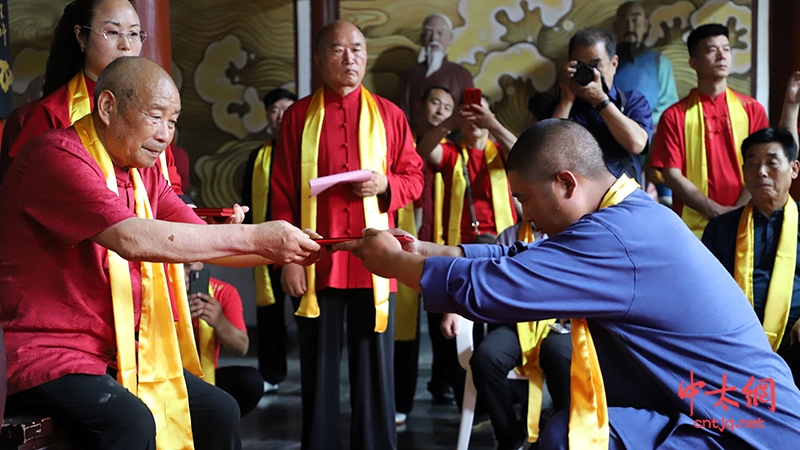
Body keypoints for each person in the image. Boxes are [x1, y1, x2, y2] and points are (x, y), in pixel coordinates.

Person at [339, 118, 800, 450]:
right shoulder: (625, 214)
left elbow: (494, 288)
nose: (525, 215)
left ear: (565, 183)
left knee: (570, 438)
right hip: (710, 405)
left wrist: (397, 265)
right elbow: (521, 257)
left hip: (740, 424)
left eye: (525, 199)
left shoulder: (615, 236)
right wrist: (425, 251)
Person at [0, 56, 321, 450]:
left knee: (218, 410)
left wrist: (293, 248)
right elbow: (132, 238)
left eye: (173, 120)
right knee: (132, 422)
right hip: (46, 352)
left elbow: (201, 240)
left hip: (114, 352)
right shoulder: (56, 156)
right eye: (156, 116)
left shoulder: (143, 172)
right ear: (107, 107)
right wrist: (260, 238)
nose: (166, 134)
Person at [269, 20, 424, 450]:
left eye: (357, 48)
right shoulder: (298, 116)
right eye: (337, 50)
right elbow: (281, 191)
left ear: (366, 55)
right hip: (316, 258)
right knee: (317, 370)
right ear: (319, 60)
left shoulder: (389, 114)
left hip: (376, 259)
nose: (349, 57)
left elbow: (415, 178)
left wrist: (386, 184)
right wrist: (288, 260)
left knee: (375, 370)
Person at [0, 0, 183, 192]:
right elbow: (26, 190)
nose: (126, 45)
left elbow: (171, 190)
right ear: (81, 36)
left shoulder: (151, 113)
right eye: (112, 32)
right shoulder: (52, 113)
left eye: (134, 34)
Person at [702, 127, 800, 388]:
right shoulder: (721, 228)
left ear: (794, 169)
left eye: (771, 162)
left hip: (795, 340)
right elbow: (705, 291)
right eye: (753, 163)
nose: (761, 172)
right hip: (733, 344)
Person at [651, 24, 768, 238]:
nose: (722, 55)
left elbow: (762, 166)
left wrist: (737, 212)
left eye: (726, 48)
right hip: (691, 228)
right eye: (711, 50)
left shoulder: (752, 110)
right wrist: (715, 210)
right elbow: (671, 175)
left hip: (747, 218)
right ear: (693, 62)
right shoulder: (674, 116)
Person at [469, 222, 571, 450]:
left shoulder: (569, 231)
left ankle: (562, 432)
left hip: (558, 322)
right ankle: (508, 434)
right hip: (516, 322)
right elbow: (493, 281)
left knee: (560, 355)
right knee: (486, 358)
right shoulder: (510, 236)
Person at [395, 85, 456, 426]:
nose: (440, 110)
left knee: (442, 321)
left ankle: (442, 384)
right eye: (434, 102)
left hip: (440, 242)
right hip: (405, 240)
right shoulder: (402, 141)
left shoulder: (452, 151)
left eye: (448, 107)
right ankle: (401, 400)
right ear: (419, 105)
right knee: (404, 327)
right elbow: (419, 152)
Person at [241, 87, 298, 394]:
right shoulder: (258, 156)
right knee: (269, 312)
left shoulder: (306, 154)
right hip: (265, 245)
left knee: (306, 309)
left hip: (301, 248)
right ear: (267, 117)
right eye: (275, 110)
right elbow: (248, 200)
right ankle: (272, 373)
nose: (281, 115)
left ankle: (313, 371)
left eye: (287, 108)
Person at [553, 27, 652, 185]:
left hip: (625, 202)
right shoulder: (560, 106)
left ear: (614, 64)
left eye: (595, 65)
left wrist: (600, 101)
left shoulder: (632, 101)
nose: (589, 72)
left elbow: (636, 144)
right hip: (579, 204)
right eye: (580, 66)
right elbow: (551, 153)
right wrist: (566, 100)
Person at [185, 262, 265, 417]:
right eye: (176, 266)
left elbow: (241, 348)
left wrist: (219, 321)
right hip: (166, 378)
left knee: (250, 382)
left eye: (188, 266)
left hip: (207, 377)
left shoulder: (222, 292)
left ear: (200, 263)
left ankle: (218, 427)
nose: (182, 274)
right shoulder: (158, 293)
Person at [397, 13, 474, 129]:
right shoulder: (409, 75)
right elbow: (402, 112)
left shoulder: (462, 75)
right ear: (422, 39)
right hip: (413, 138)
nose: (434, 38)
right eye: (428, 33)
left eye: (440, 33)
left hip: (450, 140)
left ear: (450, 38)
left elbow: (469, 113)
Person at [612, 1, 677, 125]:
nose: (629, 27)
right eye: (623, 20)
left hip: (651, 132)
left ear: (645, 26)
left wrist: (643, 124)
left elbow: (669, 104)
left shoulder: (660, 61)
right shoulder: (605, 61)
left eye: (635, 20)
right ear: (615, 27)